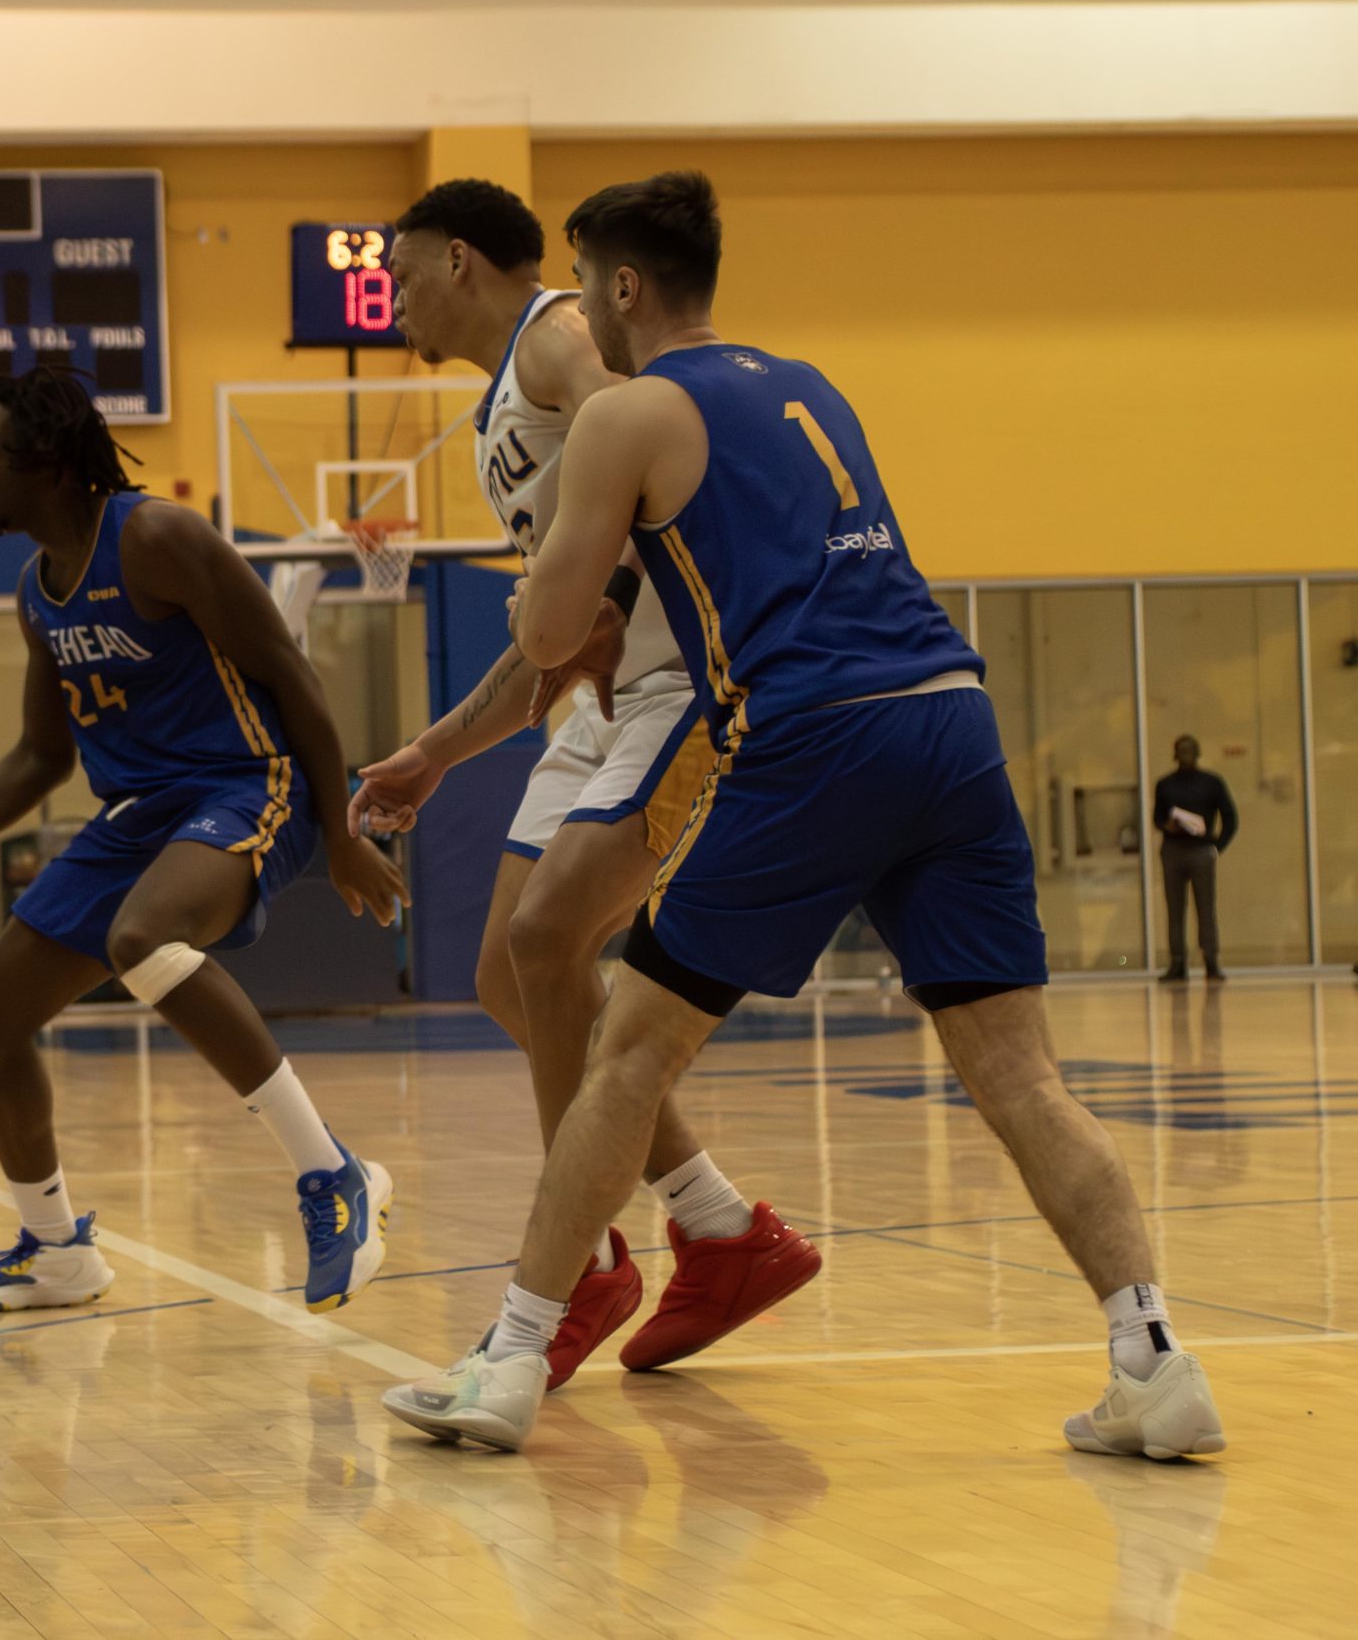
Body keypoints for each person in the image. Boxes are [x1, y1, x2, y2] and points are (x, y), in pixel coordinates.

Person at [407, 171, 1221, 1462]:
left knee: (626, 1053)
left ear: (619, 288)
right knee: (1021, 1072)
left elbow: (556, 629)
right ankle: (1155, 1353)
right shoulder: (811, 381)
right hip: (951, 715)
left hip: (816, 731)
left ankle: (510, 1356)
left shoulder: (624, 409)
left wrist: (542, 591)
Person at [360, 181, 816, 1426]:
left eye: (402, 274)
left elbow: (629, 491)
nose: (394, 297)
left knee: (550, 940)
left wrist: (616, 577)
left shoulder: (561, 342)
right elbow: (558, 627)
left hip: (680, 683)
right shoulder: (509, 383)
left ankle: (581, 1276)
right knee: (513, 976)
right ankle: (721, 1231)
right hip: (597, 705)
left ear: (459, 260)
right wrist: (435, 754)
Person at [0, 368, 409, 1316]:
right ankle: (56, 1252)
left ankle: (333, 1172)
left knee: (143, 940)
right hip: (141, 813)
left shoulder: (158, 538)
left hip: (249, 782)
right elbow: (39, 759)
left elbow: (290, 673)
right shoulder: (37, 590)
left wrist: (340, 830)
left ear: (46, 465)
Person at [1153, 735, 1236, 983]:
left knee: (1206, 907)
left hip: (1201, 851)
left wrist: (1217, 847)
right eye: (1182, 751)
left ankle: (1211, 959)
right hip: (1173, 849)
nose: (1186, 756)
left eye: (1190, 751)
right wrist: (1169, 825)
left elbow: (1230, 817)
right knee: (1174, 908)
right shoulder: (1165, 784)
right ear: (1175, 754)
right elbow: (1157, 817)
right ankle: (1178, 961)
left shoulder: (1211, 783)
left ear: (1197, 753)